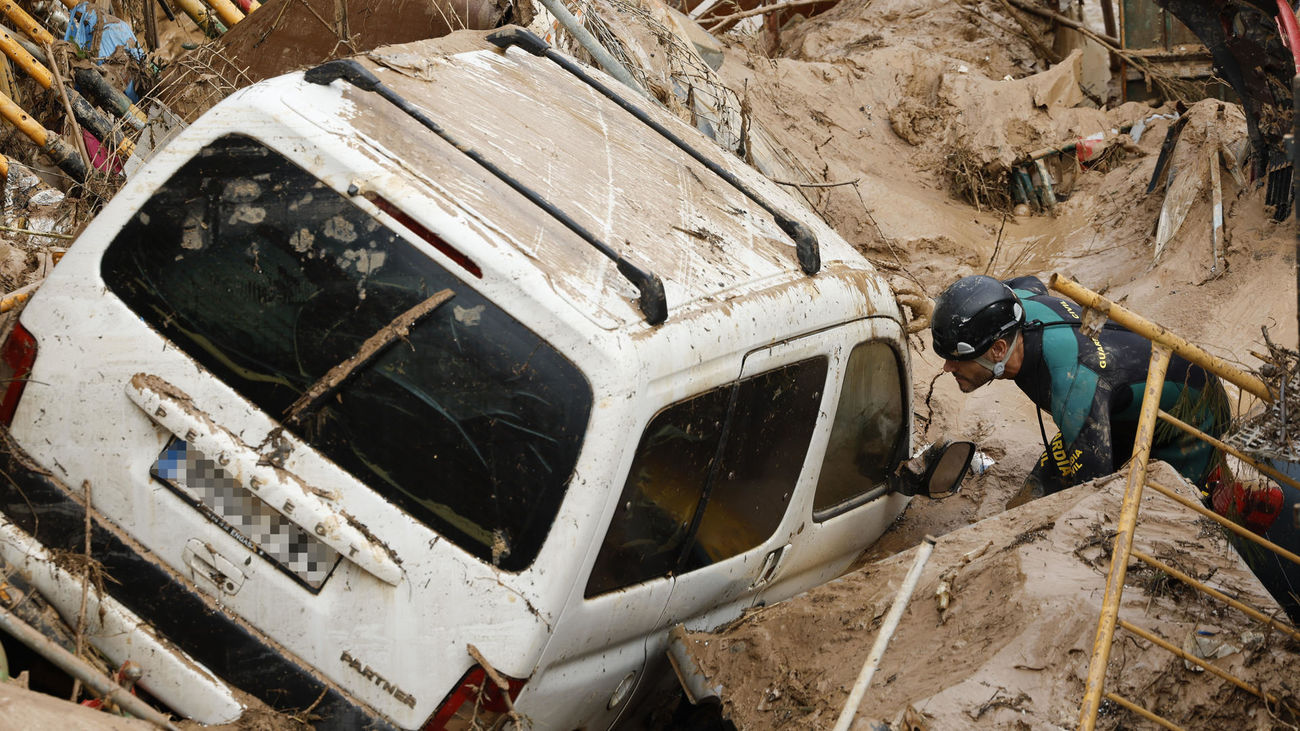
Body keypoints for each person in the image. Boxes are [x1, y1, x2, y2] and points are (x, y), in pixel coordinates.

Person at [930, 275, 1230, 507]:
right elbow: (1021, 284)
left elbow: (1096, 492)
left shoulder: (1072, 387)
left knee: (1164, 512)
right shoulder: (1018, 303)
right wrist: (941, 318)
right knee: (1027, 502)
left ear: (997, 350)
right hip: (1116, 404)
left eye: (956, 359)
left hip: (1191, 422)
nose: (947, 368)